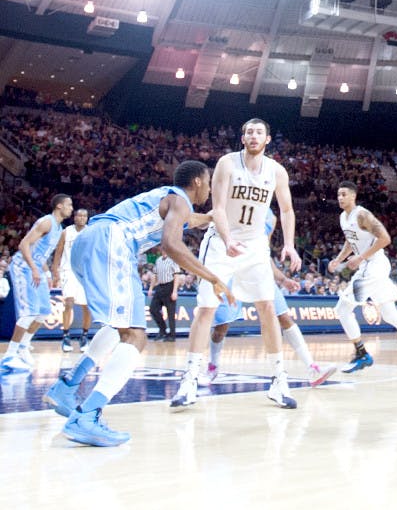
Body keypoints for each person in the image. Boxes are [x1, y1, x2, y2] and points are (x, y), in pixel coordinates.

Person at [43, 161, 234, 446]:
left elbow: (187, 220)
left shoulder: (170, 198)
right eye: (207, 182)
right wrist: (212, 277)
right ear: (197, 181)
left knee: (119, 326)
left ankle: (67, 387)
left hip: (89, 242)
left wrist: (210, 219)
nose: (208, 188)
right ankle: (87, 415)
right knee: (136, 337)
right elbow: (171, 244)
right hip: (113, 243)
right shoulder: (180, 200)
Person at [170, 118, 302, 410]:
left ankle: (279, 380)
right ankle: (190, 378)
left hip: (255, 245)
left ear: (267, 139)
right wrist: (228, 239)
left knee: (266, 307)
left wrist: (289, 244)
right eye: (249, 132)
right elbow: (216, 208)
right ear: (242, 138)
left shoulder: (277, 171)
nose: (253, 136)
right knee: (207, 309)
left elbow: (288, 209)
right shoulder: (227, 164)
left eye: (259, 132)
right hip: (221, 242)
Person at [200, 208, 336, 388]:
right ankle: (213, 366)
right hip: (229, 267)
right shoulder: (233, 197)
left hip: (256, 269)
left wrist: (283, 279)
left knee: (284, 317)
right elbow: (206, 221)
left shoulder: (270, 218)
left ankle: (312, 367)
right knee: (221, 327)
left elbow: (264, 253)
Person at [328, 181, 397, 372]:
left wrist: (361, 257)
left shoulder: (362, 214)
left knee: (342, 309)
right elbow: (350, 240)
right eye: (338, 194)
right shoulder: (343, 217)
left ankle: (362, 354)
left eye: (344, 194)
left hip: (374, 266)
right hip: (372, 268)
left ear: (353, 196)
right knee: (389, 313)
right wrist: (338, 259)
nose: (340, 198)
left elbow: (385, 238)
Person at [1, 194, 73, 372]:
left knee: (43, 312)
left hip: (36, 269)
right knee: (28, 313)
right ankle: (10, 355)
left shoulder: (58, 227)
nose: (71, 208)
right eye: (69, 205)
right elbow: (24, 245)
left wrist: (47, 273)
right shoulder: (46, 222)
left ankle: (23, 347)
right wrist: (34, 268)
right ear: (59, 206)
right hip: (22, 267)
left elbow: (39, 252)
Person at [51, 208, 92, 353]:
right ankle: (66, 336)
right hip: (68, 271)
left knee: (87, 307)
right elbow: (59, 250)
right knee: (68, 303)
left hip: (85, 273)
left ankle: (84, 336)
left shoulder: (91, 232)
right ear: (74, 217)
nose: (81, 218)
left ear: (87, 218)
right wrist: (55, 269)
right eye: (79, 215)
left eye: (84, 215)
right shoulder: (66, 231)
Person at [148, 247, 181, 341]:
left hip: (169, 286)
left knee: (170, 313)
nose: (163, 250)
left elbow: (176, 275)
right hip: (160, 286)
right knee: (153, 309)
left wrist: (175, 291)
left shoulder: (173, 260)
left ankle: (172, 335)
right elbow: (155, 275)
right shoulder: (158, 260)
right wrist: (151, 288)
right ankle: (162, 330)